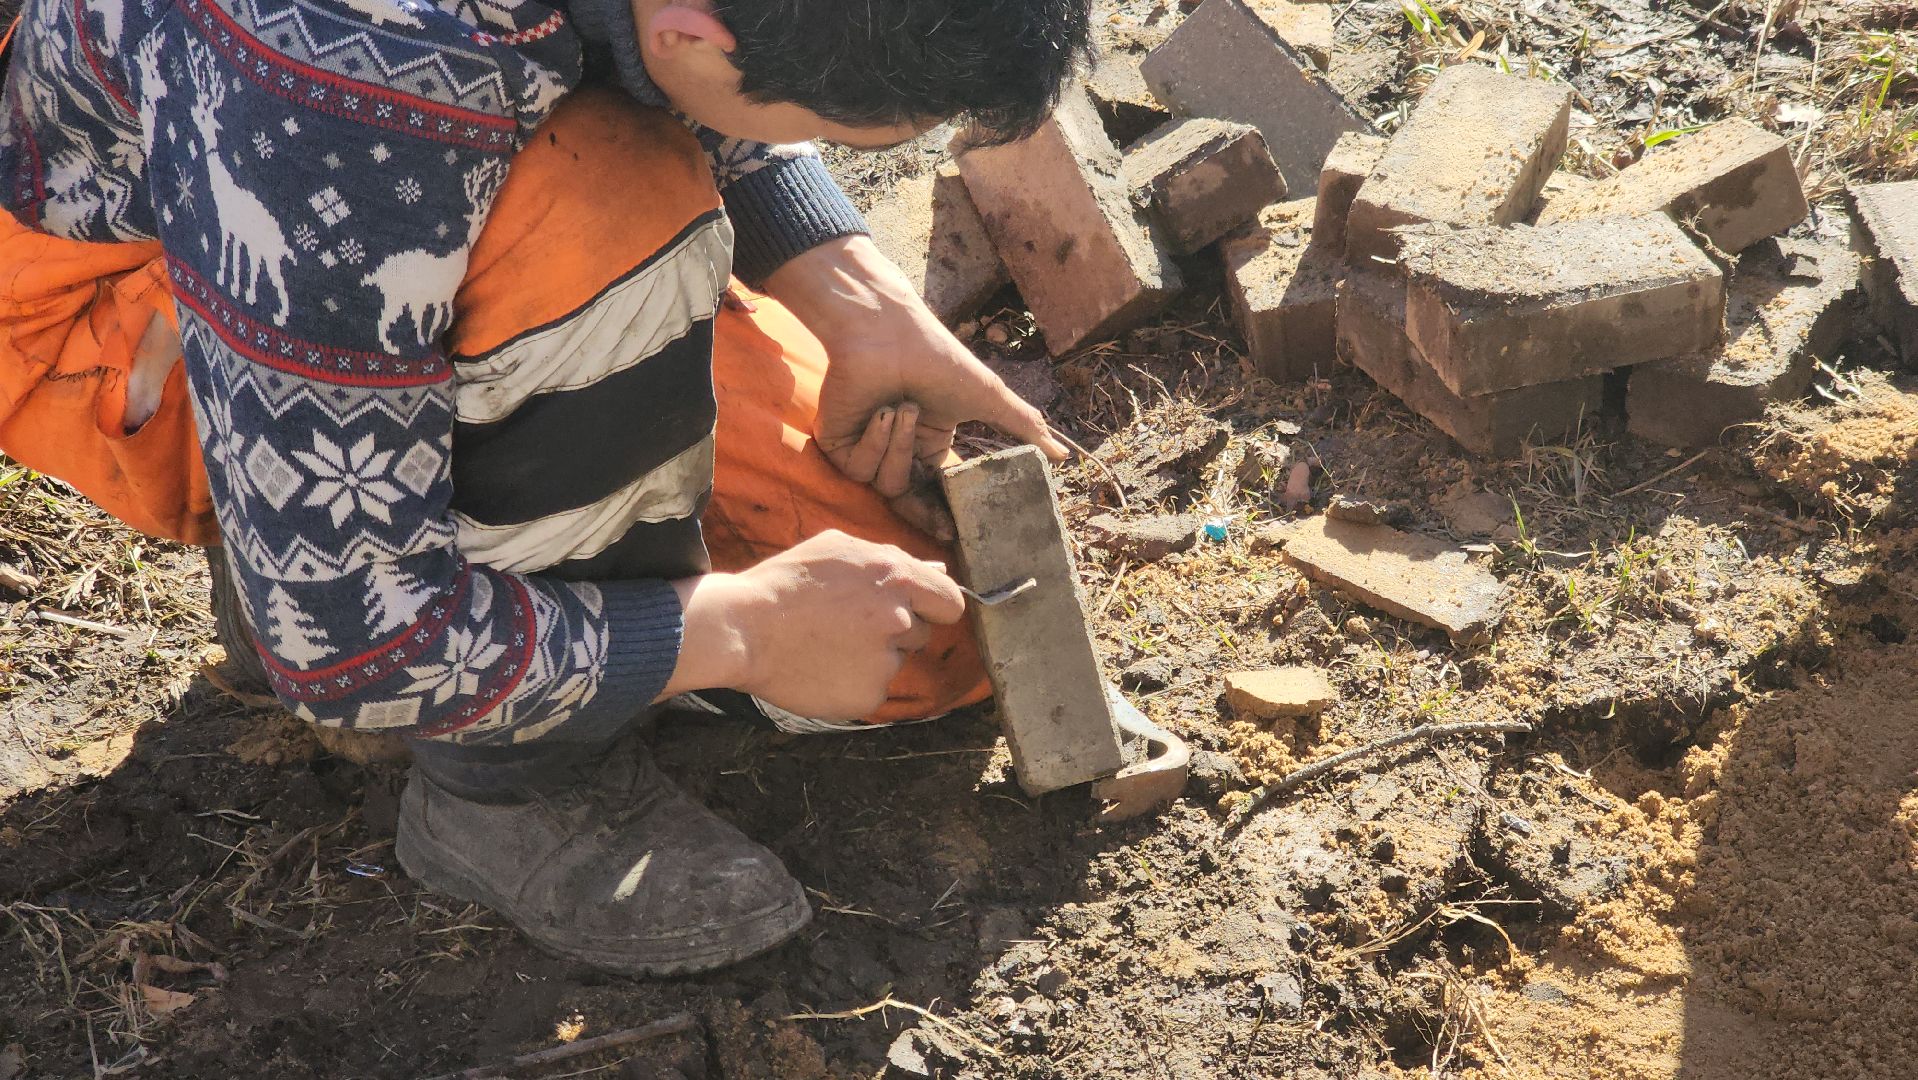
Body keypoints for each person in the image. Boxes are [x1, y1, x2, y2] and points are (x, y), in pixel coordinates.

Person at [0, 0, 1089, 973]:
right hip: (128, 308)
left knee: (927, 647)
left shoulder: (653, 32)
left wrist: (858, 299)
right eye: (846, 134)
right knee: (608, 196)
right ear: (692, 36)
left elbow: (696, 48)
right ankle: (509, 788)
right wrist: (744, 632)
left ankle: (322, 522)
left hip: (338, 213)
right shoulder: (342, 89)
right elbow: (347, 647)